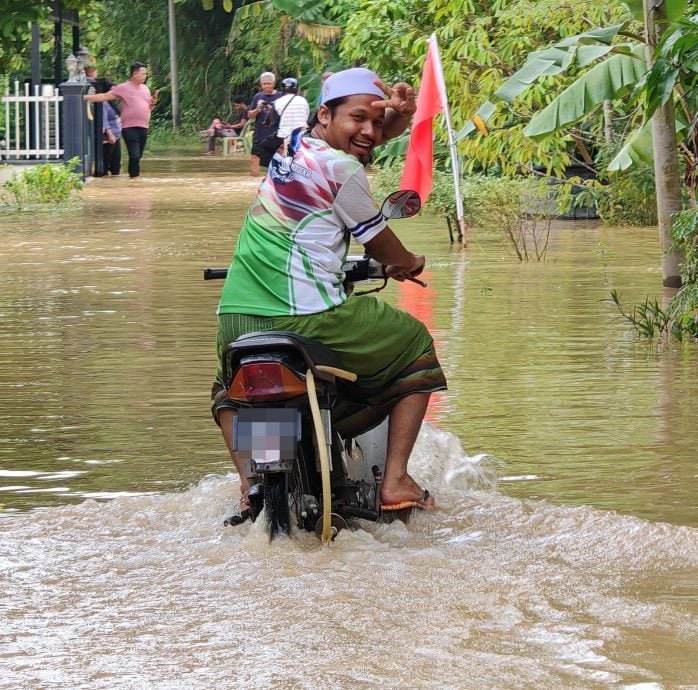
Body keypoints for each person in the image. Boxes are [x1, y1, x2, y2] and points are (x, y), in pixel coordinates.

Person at [212, 67, 446, 518]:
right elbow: (384, 247)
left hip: (235, 316)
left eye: (377, 123)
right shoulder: (342, 170)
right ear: (324, 113)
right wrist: (407, 262)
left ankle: (250, 486)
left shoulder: (291, 146)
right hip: (306, 315)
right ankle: (395, 480)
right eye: (360, 117)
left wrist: (397, 114)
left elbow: (359, 136)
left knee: (228, 389)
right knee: (415, 345)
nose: (370, 131)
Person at [84, 62, 158, 178]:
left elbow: (148, 108)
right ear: (135, 74)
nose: (145, 76)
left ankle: (135, 179)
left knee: (138, 156)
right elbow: (104, 96)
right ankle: (134, 180)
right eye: (143, 73)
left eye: (145, 74)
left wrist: (153, 104)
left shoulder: (145, 89)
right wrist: (84, 97)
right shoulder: (124, 87)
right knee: (134, 155)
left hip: (143, 127)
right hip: (129, 127)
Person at [247, 72, 282, 176]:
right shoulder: (258, 96)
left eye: (268, 83)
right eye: (264, 84)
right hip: (260, 134)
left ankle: (275, 183)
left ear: (274, 83)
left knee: (277, 161)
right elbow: (249, 115)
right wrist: (257, 110)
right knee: (254, 158)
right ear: (260, 84)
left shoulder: (281, 96)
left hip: (276, 135)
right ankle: (253, 181)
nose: (266, 86)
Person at [93, 78, 121, 176]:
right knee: (105, 165)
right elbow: (103, 120)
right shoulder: (104, 103)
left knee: (116, 164)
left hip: (116, 136)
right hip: (109, 138)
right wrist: (109, 134)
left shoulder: (112, 103)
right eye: (113, 91)